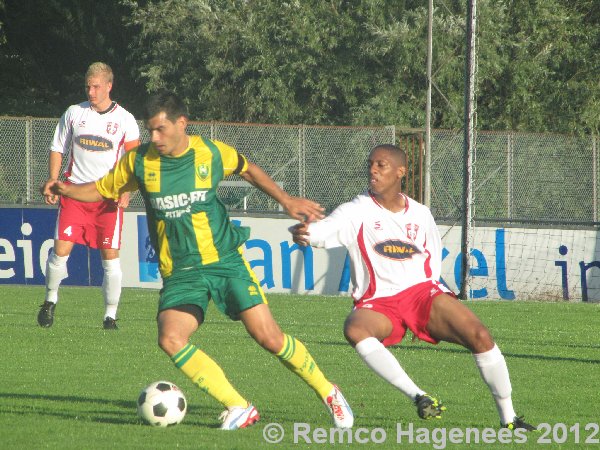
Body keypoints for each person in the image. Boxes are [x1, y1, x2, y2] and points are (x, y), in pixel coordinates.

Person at [46, 90, 353, 430]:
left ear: (182, 124)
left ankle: (329, 391)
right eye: (151, 131)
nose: (156, 137)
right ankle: (238, 406)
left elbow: (247, 169)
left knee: (269, 338)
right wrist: (66, 189)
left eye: (162, 129)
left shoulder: (209, 152)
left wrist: (285, 200)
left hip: (224, 261)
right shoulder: (139, 161)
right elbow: (103, 188)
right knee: (170, 338)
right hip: (180, 272)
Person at [290, 144, 536, 431]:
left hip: (421, 294)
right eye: (370, 164)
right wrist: (304, 233)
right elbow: (321, 231)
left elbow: (431, 258)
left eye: (380, 165)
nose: (372, 170)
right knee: (355, 329)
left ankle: (510, 419)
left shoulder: (420, 213)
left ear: (401, 172)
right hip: (379, 301)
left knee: (480, 336)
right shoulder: (356, 210)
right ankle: (418, 395)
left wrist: (438, 297)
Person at [39, 62, 140, 330]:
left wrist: (127, 190)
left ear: (109, 85)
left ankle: (110, 315)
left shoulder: (125, 120)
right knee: (60, 251)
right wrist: (53, 179)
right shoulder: (74, 113)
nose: (91, 91)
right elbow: (57, 147)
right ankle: (50, 301)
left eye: (96, 86)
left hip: (108, 197)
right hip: (74, 193)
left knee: (110, 257)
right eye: (88, 86)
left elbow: (133, 161)